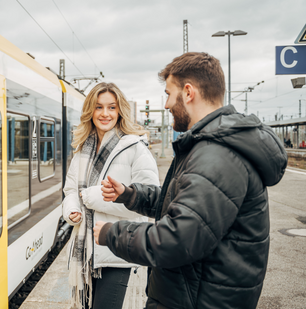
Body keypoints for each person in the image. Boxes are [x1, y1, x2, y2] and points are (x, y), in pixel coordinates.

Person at [95, 52, 287, 309]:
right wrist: (130, 195)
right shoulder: (210, 147)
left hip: (199, 299)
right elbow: (184, 206)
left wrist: (111, 233)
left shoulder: (217, 156)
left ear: (188, 92)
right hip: (195, 292)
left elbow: (177, 239)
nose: (165, 105)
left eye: (168, 94)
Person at [62, 82, 159, 309]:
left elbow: (150, 200)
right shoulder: (82, 148)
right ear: (90, 111)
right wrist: (72, 210)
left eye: (111, 107)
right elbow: (70, 190)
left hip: (117, 249)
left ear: (120, 111)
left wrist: (91, 197)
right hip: (85, 253)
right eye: (98, 107)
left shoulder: (136, 148)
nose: (105, 114)